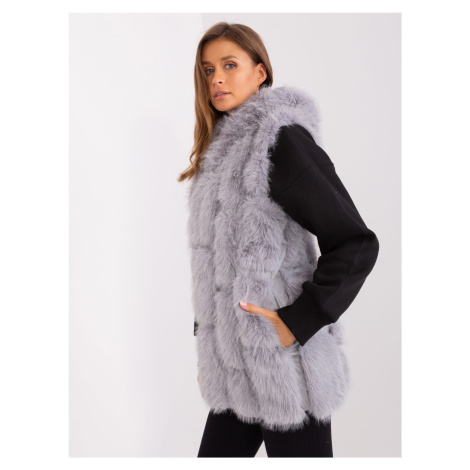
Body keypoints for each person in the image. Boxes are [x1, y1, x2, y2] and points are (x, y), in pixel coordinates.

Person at [178, 22, 379, 458]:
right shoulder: (219, 156)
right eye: (208, 69)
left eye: (230, 65)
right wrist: (212, 350)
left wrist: (298, 322)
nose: (216, 79)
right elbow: (217, 270)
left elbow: (356, 242)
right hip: (234, 373)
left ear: (260, 72)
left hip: (285, 369)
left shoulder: (281, 139)